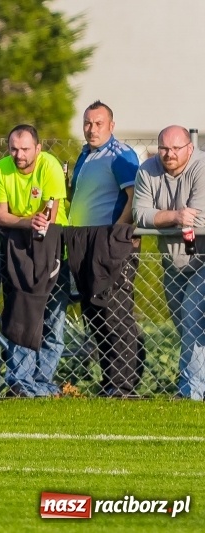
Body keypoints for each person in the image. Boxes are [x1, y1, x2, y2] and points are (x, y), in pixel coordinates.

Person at [68, 101, 142, 397]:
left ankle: (125, 385)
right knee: (94, 312)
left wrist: (116, 234)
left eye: (98, 123)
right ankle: (110, 381)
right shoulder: (85, 154)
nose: (91, 129)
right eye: (87, 123)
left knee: (116, 313)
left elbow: (133, 195)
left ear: (111, 125)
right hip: (84, 243)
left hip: (110, 244)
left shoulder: (120, 154)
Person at [0, 124, 69, 397]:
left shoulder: (50, 167)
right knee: (20, 317)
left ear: (38, 148)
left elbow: (50, 213)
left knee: (52, 321)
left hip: (53, 249)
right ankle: (20, 383)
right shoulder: (1, 168)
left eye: (25, 149)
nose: (19, 154)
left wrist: (29, 221)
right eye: (13, 148)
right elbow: (0, 215)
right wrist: (27, 221)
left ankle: (42, 384)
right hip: (18, 249)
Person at [133, 125, 205, 400]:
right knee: (185, 325)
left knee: (191, 316)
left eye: (176, 148)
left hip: (202, 259)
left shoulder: (201, 167)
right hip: (171, 262)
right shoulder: (147, 170)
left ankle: (190, 391)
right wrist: (175, 216)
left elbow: (198, 220)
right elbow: (140, 214)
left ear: (190, 147)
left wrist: (159, 217)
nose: (169, 154)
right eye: (164, 148)